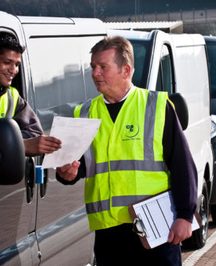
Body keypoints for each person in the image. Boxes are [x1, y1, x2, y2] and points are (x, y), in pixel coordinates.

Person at [56, 36, 198, 266]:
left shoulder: (156, 106)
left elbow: (183, 165)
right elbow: (75, 167)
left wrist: (185, 215)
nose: (95, 73)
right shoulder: (83, 113)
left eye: (103, 67)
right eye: (93, 67)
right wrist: (66, 174)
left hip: (157, 231)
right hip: (109, 235)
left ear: (126, 70)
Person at [0, 32, 61, 156]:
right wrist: (23, 145)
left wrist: (18, 141)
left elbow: (35, 133)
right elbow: (26, 143)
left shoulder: (12, 97)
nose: (13, 70)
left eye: (17, 64)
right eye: (7, 62)